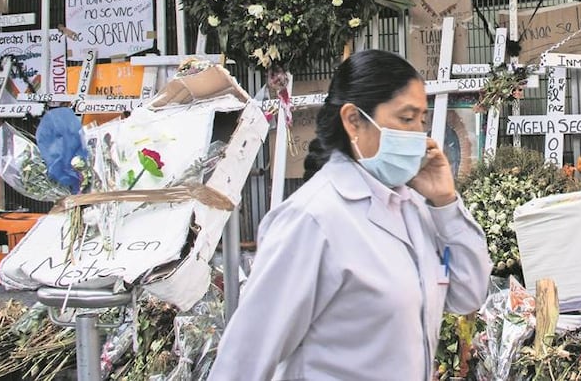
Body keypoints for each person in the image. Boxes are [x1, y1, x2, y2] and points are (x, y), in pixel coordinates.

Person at [209, 50, 492, 380]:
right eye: (406, 118)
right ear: (353, 120)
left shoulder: (411, 207)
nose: (419, 134)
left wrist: (446, 203)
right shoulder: (313, 220)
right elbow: (245, 359)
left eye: (422, 120)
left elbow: (467, 292)